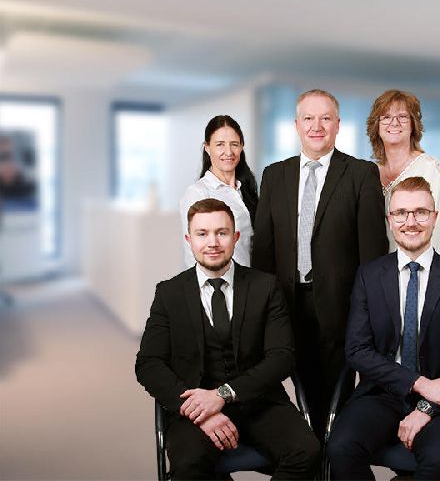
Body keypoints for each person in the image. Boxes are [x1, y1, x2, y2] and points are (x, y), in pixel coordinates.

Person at [136, 198, 320, 480]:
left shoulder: (265, 287)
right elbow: (148, 363)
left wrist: (222, 394)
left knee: (307, 452)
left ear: (235, 238)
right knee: (189, 464)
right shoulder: (168, 293)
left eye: (221, 233)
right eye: (202, 234)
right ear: (189, 240)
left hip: (259, 403)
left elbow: (282, 357)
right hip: (196, 409)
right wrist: (201, 410)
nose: (212, 243)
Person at [327, 176, 440, 480]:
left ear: (435, 217)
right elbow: (358, 350)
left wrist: (428, 406)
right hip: (382, 394)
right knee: (341, 448)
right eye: (401, 213)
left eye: (421, 212)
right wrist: (418, 383)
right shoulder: (368, 276)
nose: (411, 222)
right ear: (390, 220)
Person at [252, 89, 388, 441]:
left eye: (325, 118)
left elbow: (373, 254)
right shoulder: (274, 175)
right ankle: (307, 460)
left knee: (335, 405)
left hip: (340, 309)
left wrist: (366, 313)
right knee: (295, 401)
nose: (317, 126)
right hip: (285, 305)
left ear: (338, 125)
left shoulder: (360, 174)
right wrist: (263, 309)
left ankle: (332, 461)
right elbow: (263, 250)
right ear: (296, 125)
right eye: (308, 118)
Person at [367, 90, 440, 256]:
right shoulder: (369, 173)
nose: (394, 123)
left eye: (402, 117)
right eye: (386, 117)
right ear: (376, 126)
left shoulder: (430, 169)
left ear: (413, 125)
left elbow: (439, 232)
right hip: (378, 268)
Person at [180, 115, 257, 267]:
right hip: (222, 280)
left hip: (251, 279)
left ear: (242, 147)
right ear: (207, 148)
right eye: (220, 144)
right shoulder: (198, 193)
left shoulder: (246, 189)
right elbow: (193, 255)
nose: (228, 152)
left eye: (234, 144)